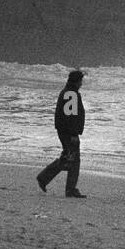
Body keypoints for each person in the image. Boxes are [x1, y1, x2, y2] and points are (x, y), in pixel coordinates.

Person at [36, 70, 87, 198]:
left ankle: (44, 178)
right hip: (69, 132)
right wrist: (74, 134)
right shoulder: (71, 94)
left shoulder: (68, 92)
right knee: (73, 159)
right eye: (81, 81)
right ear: (76, 81)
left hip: (64, 131)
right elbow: (70, 117)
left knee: (67, 157)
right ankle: (70, 189)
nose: (81, 83)